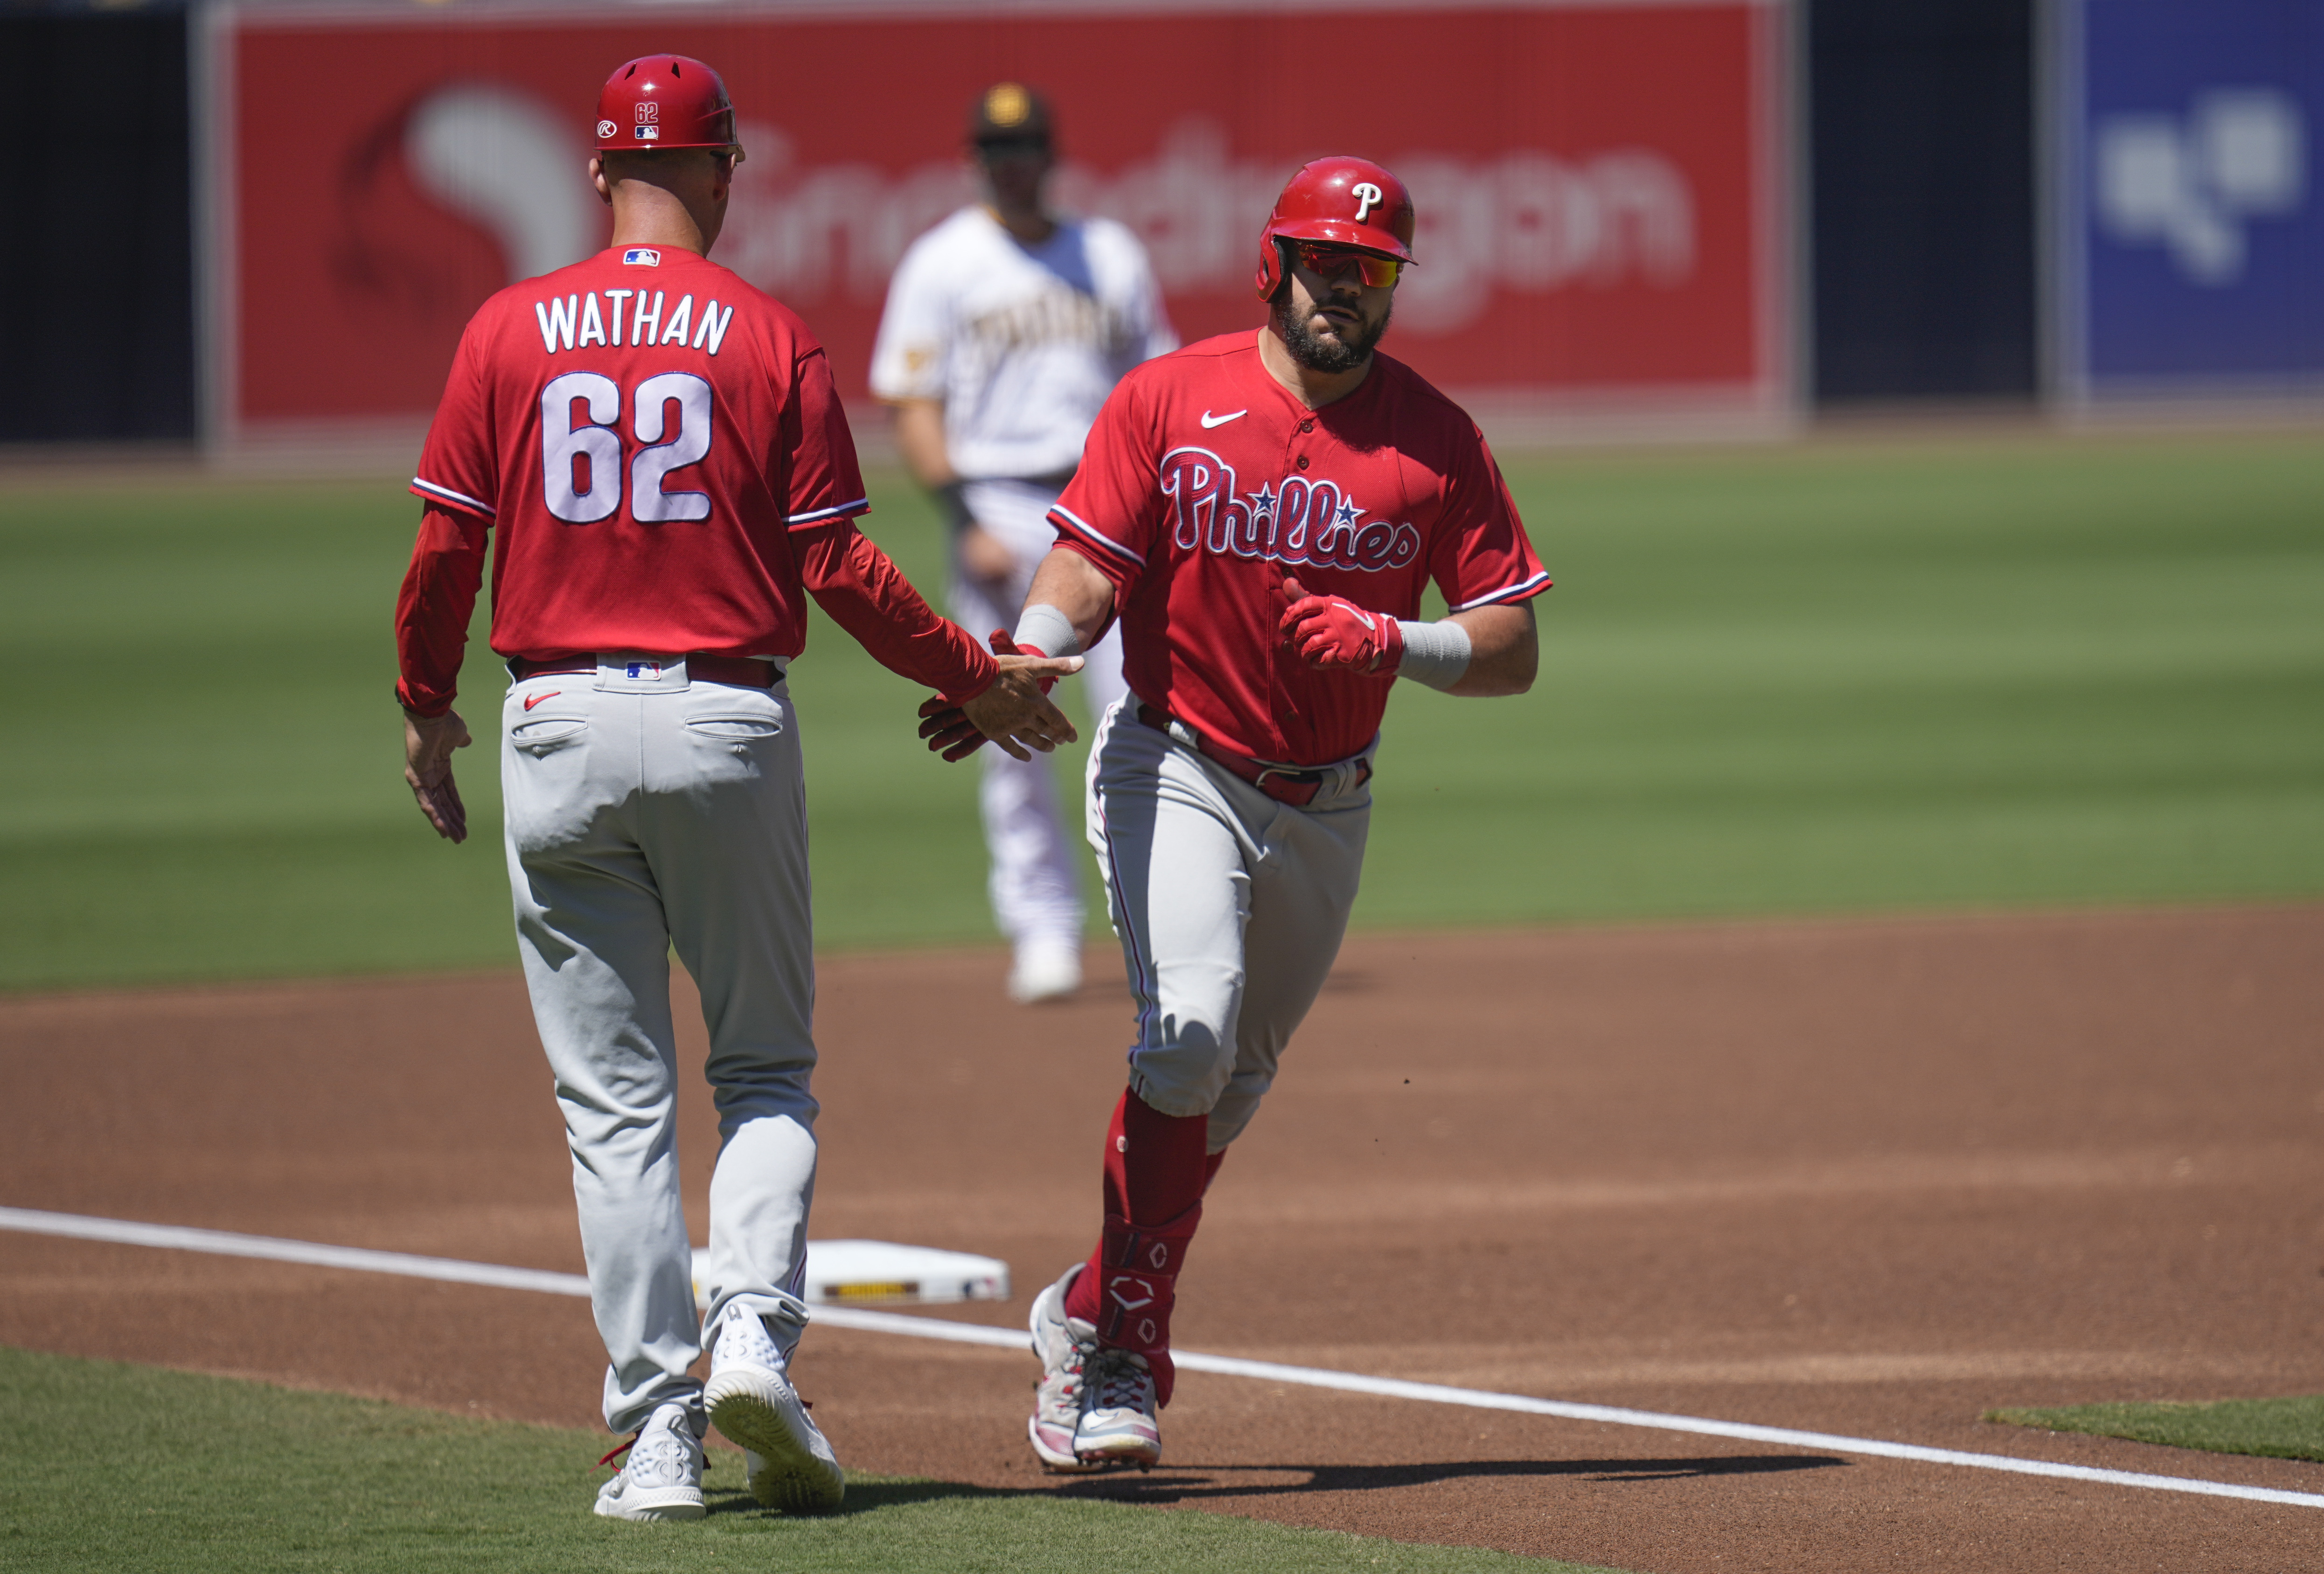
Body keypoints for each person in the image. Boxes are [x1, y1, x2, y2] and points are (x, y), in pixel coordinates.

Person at [393, 54, 1078, 1521]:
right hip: (722, 721)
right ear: (721, 173)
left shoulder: (509, 328)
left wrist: (420, 704)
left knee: (613, 1103)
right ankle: (755, 1331)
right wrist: (972, 673)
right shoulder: (765, 332)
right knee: (761, 1068)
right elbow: (837, 563)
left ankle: (656, 1430)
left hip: (554, 722)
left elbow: (447, 549)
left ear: (597, 174)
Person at [922, 156, 1550, 1472]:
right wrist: (1025, 660)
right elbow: (1087, 561)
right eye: (1325, 263)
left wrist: (1391, 640)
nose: (1345, 288)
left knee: (1230, 1087)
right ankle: (1122, 1357)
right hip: (1176, 760)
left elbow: (1510, 643)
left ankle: (1084, 1299)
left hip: (1330, 801)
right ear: (1271, 265)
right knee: (1186, 1034)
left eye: (1371, 270)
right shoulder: (1166, 397)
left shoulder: (1433, 435)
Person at [872, 82, 1176, 1003]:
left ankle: (1153, 918)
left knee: (1139, 719)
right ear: (974, 157)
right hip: (998, 503)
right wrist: (962, 520)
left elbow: (1159, 389)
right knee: (1007, 727)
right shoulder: (942, 262)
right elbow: (914, 407)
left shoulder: (1108, 252)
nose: (1013, 162)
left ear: (1050, 153)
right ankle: (1041, 927)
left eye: (1027, 144)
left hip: (1107, 507)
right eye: (997, 147)